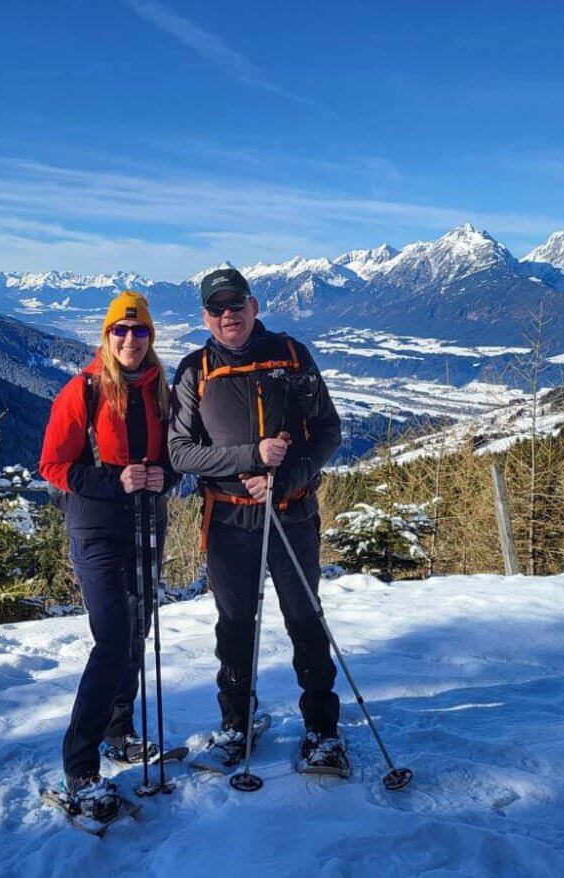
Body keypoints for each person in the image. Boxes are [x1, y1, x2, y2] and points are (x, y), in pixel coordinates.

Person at [167, 267, 346, 773]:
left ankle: (322, 729)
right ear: (205, 316)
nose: (229, 315)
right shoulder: (194, 370)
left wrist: (284, 478)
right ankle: (236, 724)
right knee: (235, 625)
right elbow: (180, 453)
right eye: (218, 308)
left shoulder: (291, 356)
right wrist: (251, 457)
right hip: (228, 520)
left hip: (291, 513)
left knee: (305, 619)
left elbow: (328, 430)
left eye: (236, 305)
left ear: (254, 305)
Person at [39, 291, 177, 817]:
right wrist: (113, 480)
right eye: (120, 331)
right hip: (95, 529)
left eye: (139, 331)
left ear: (151, 338)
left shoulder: (159, 390)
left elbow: (175, 456)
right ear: (106, 335)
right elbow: (52, 466)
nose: (130, 340)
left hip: (147, 526)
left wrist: (170, 475)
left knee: (137, 628)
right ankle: (80, 763)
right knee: (114, 637)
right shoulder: (84, 392)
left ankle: (120, 729)